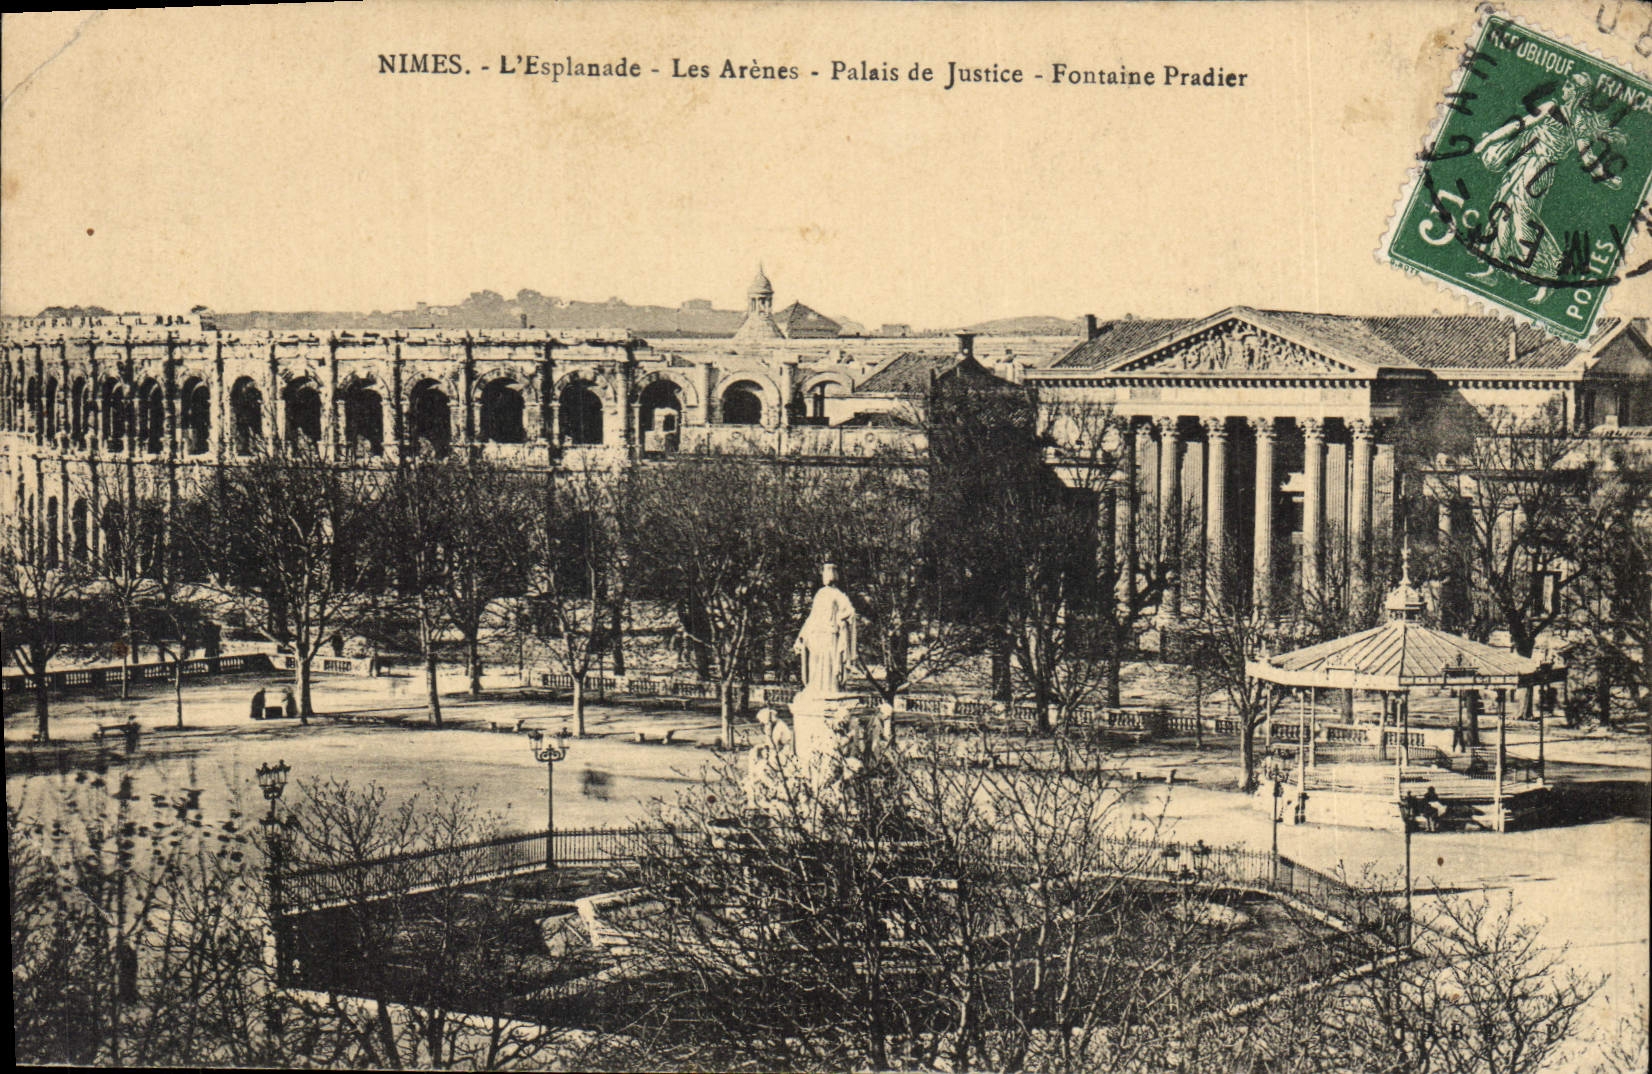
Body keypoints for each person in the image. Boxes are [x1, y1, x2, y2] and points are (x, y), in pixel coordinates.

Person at [792, 562, 857, 697]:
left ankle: (829, 690)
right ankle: (815, 689)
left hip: (830, 635)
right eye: (824, 572)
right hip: (816, 636)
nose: (825, 576)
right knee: (815, 665)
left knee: (829, 665)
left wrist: (840, 618)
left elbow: (850, 612)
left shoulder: (838, 594)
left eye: (828, 572)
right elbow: (812, 617)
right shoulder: (820, 594)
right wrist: (801, 636)